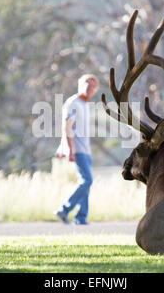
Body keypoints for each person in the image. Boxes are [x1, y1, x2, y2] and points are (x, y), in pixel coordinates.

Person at [54, 74, 99, 225]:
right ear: (80, 85)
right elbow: (66, 127)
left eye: (93, 86)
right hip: (77, 150)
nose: (89, 88)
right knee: (87, 180)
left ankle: (80, 217)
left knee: (85, 182)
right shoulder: (73, 102)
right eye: (87, 84)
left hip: (86, 150)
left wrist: (61, 147)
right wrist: (69, 149)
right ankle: (64, 209)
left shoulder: (85, 104)